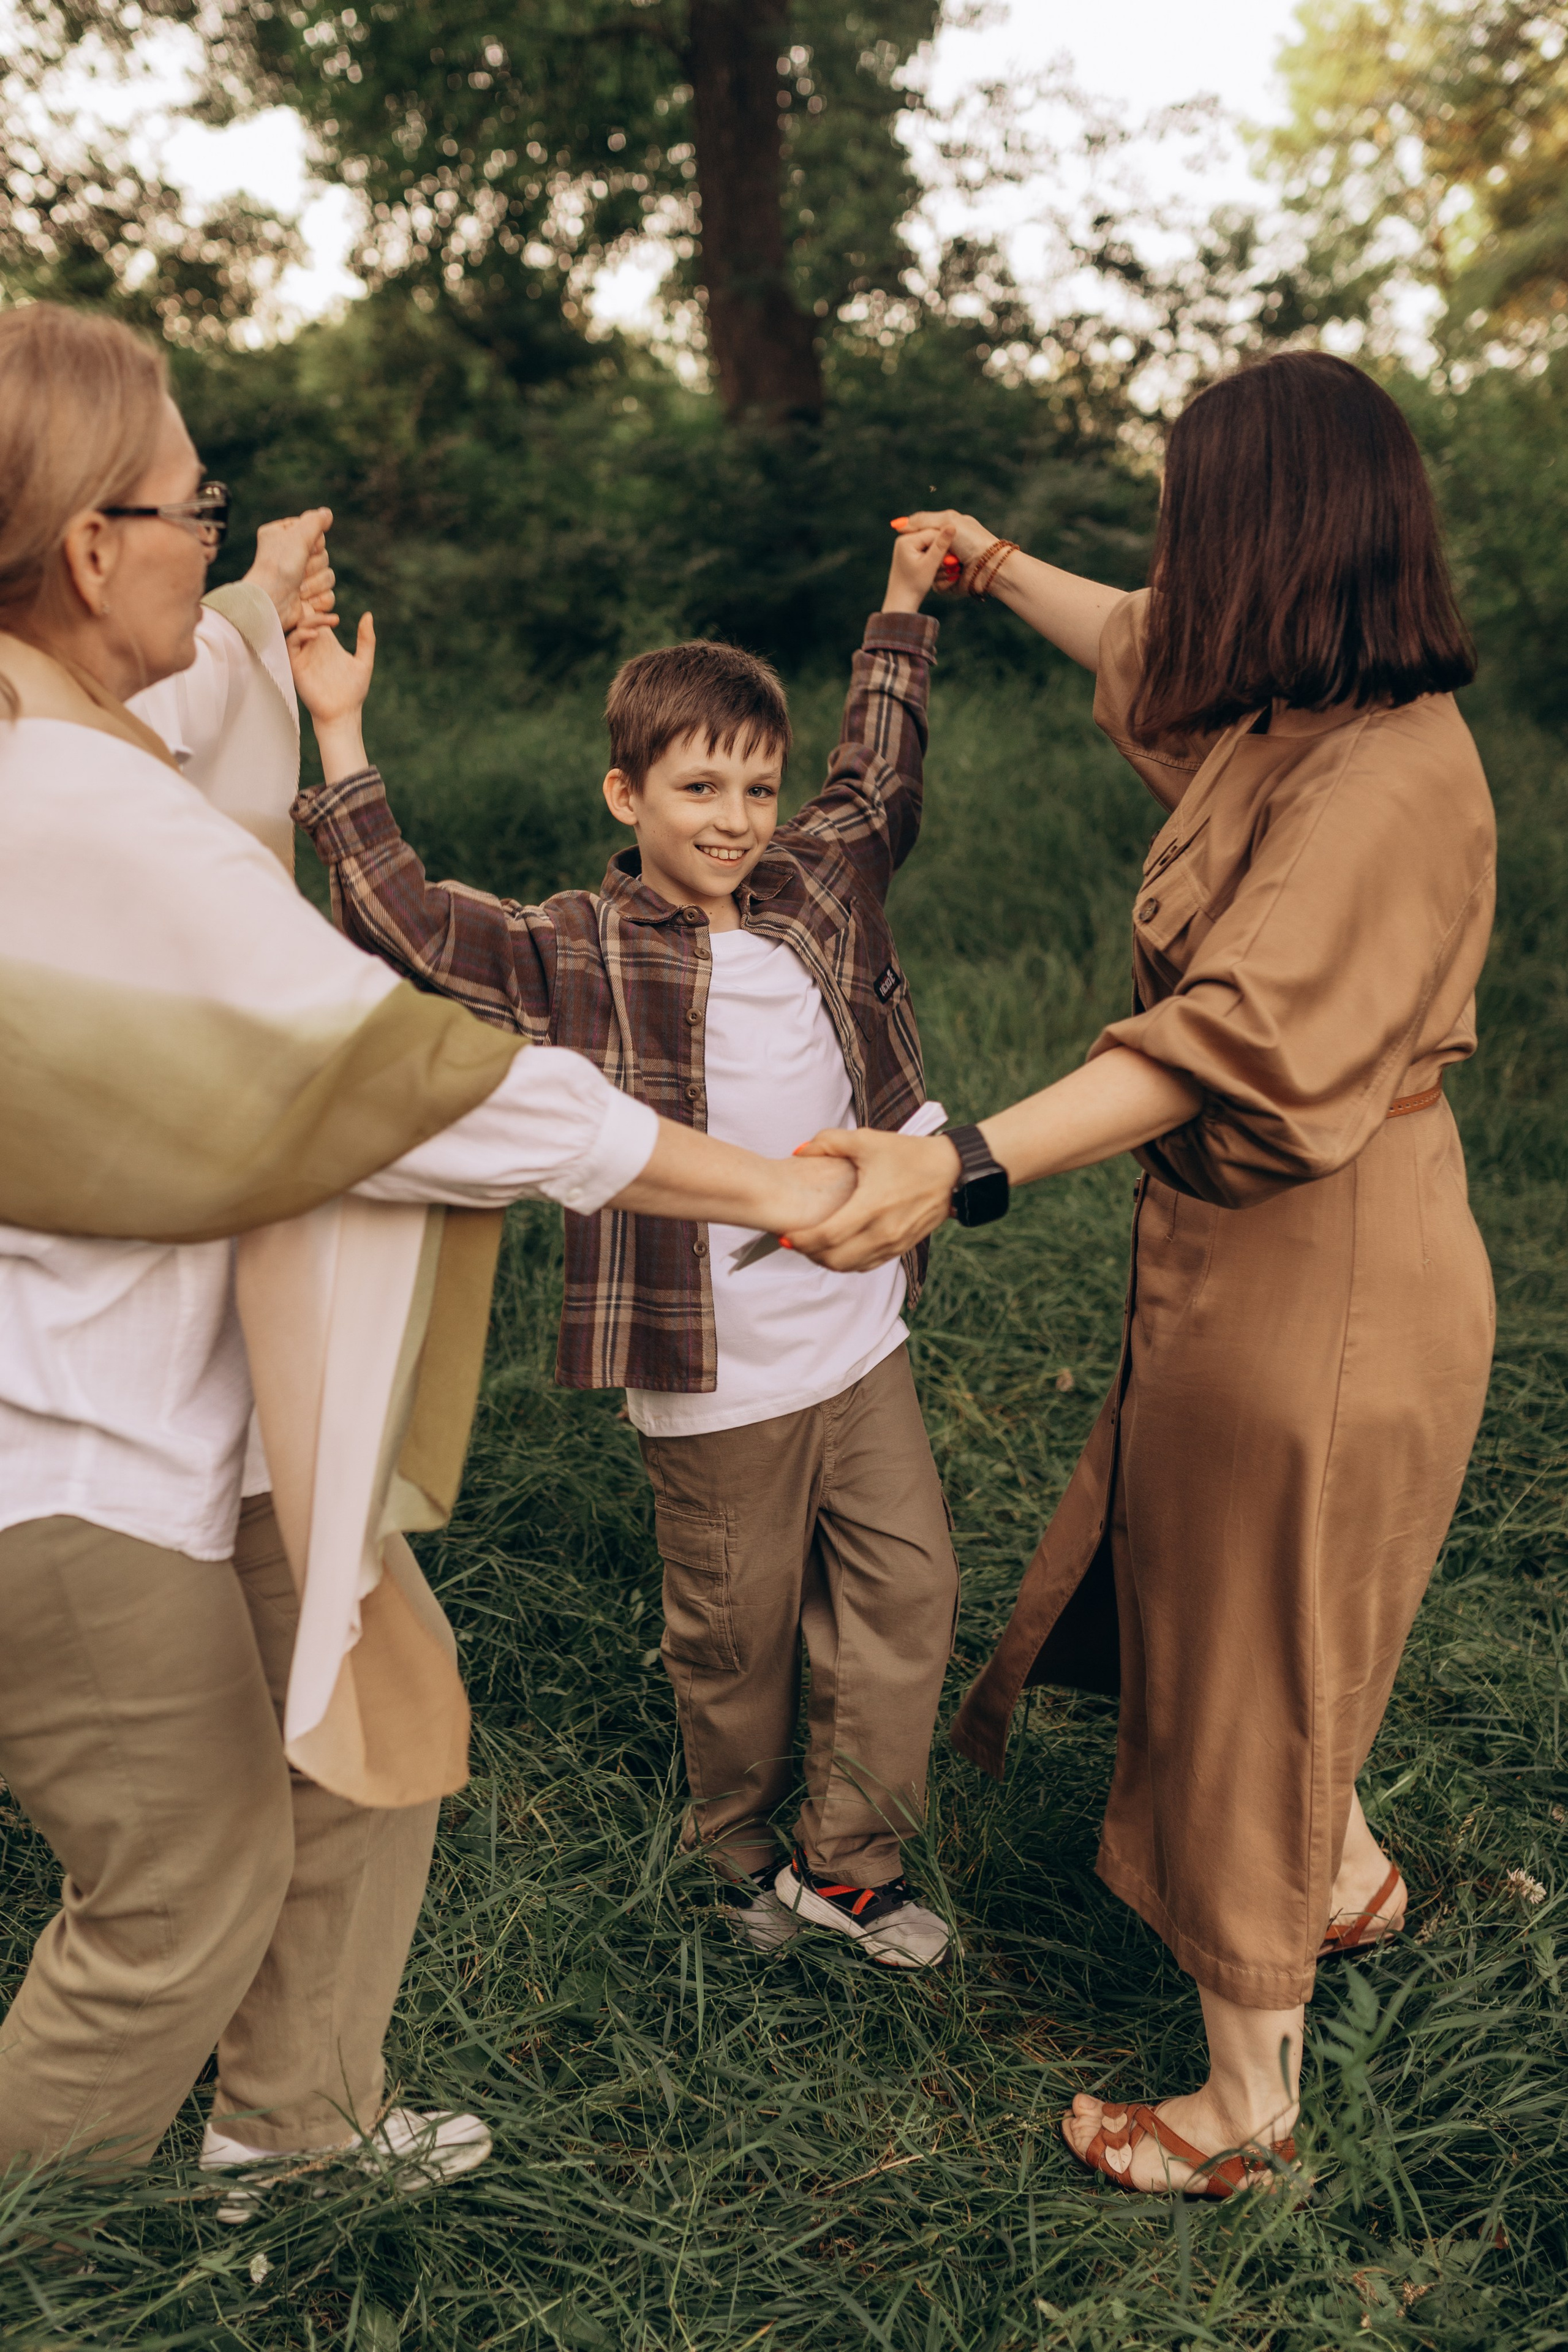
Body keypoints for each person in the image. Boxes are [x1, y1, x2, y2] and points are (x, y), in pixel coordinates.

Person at [0, 301, 850, 2202]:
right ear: (83, 549)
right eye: (188, 504)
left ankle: (292, 2134)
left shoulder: (67, 724)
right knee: (174, 1897)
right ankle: (41, 2267)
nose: (207, 540)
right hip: (57, 1456)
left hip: (193, 1408)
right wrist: (776, 1189)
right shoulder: (72, 814)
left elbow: (188, 683)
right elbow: (417, 1083)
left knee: (372, 1716)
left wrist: (263, 575)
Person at [784, 352, 1496, 2195]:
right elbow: (1140, 638)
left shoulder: (1388, 780)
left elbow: (1221, 1044)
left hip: (1329, 1281)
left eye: (1198, 516)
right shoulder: (1291, 714)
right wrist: (994, 561)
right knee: (1248, 1604)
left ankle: (1244, 2109)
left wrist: (959, 1163)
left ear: (1274, 532)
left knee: (1249, 1653)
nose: (1174, 555)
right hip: (1263, 1260)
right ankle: (1340, 1881)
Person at [289, 529, 965, 1969]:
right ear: (626, 792)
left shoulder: (816, 887)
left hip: (856, 1338)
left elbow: (877, 777)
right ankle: (737, 1856)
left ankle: (846, 1871)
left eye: (753, 787)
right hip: (710, 1368)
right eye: (698, 788)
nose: (734, 818)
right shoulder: (579, 944)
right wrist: (337, 728)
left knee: (903, 1588)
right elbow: (410, 924)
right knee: (736, 1634)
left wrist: (901, 609)